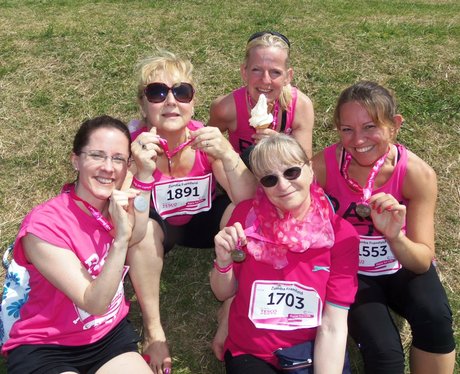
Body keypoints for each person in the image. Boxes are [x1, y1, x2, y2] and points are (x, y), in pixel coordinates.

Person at [125, 50, 257, 374]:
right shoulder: (131, 145)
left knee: (243, 215)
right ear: (143, 106)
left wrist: (227, 154)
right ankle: (154, 329)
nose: (171, 101)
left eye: (181, 91)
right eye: (157, 92)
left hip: (203, 221)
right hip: (158, 225)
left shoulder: (204, 139)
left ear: (193, 102)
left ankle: (232, 302)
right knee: (141, 237)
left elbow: (251, 201)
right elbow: (125, 226)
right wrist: (138, 172)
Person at [312, 81, 456, 374]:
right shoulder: (322, 167)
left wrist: (394, 236)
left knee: (436, 318)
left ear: (395, 126)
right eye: (347, 129)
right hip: (352, 273)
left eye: (370, 127)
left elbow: (420, 261)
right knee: (384, 351)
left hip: (401, 265)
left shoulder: (416, 174)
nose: (358, 140)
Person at [1, 116, 153, 373]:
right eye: (97, 155)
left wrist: (146, 176)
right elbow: (92, 302)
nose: (108, 167)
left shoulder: (115, 207)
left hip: (108, 336)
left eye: (118, 159)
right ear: (76, 161)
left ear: (128, 166)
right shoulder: (44, 225)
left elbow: (137, 235)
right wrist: (120, 241)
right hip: (48, 346)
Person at [210, 134, 359, 373]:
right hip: (251, 351)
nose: (283, 185)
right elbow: (223, 291)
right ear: (261, 185)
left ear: (310, 170)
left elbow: (333, 325)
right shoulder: (245, 217)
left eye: (291, 172)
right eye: (270, 179)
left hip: (311, 349)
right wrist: (223, 262)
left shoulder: (340, 235)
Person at [208, 31, 314, 160]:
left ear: (288, 76)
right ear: (244, 72)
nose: (265, 80)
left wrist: (281, 146)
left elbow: (305, 165)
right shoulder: (226, 108)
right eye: (256, 70)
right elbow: (204, 150)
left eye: (275, 72)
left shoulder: (300, 107)